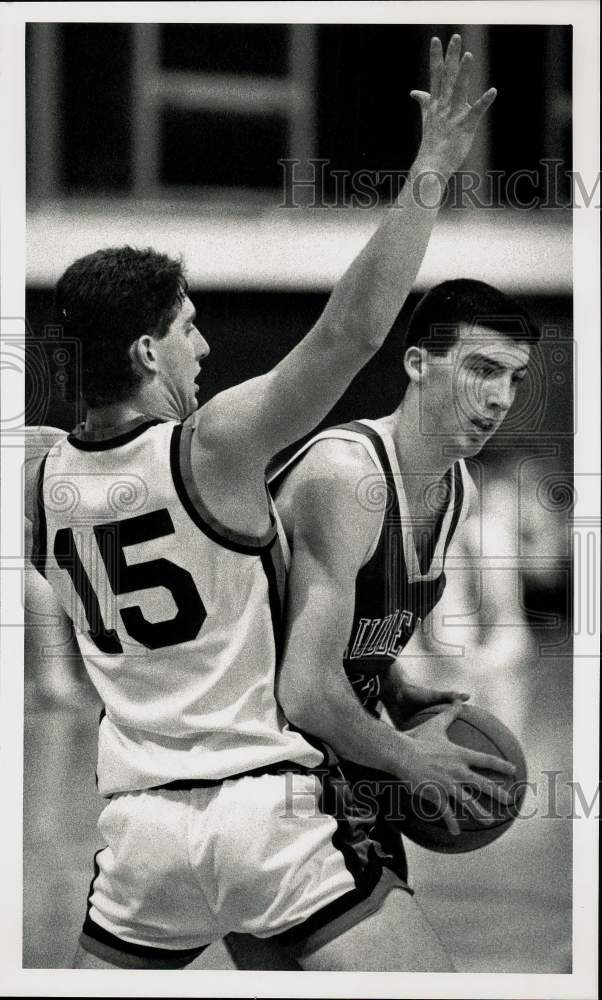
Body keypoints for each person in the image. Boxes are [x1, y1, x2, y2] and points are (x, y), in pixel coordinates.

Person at [25, 35, 504, 971]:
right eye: (189, 329)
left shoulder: (31, 481)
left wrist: (389, 678)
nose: (203, 348)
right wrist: (434, 168)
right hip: (267, 817)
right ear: (145, 355)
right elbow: (353, 330)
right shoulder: (215, 449)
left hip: (139, 840)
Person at [223, 277, 539, 969]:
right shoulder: (347, 477)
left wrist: (391, 683)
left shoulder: (455, 486)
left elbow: (321, 620)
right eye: (481, 370)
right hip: (265, 778)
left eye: (513, 379)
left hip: (337, 766)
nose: (499, 399)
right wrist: (409, 756)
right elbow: (303, 689)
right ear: (419, 362)